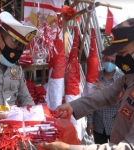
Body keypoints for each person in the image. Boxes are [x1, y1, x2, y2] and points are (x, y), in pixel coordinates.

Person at [40, 18, 134, 150]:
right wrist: (73, 106)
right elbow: (106, 95)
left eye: (122, 53)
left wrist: (70, 148)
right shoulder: (129, 76)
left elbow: (129, 147)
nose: (118, 58)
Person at [0, 11, 39, 149]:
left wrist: (35, 118)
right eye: (13, 48)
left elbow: (25, 99)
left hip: (9, 138)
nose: (15, 55)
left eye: (20, 50)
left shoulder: (16, 68)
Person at [86, 54, 123, 144]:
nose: (109, 63)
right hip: (98, 124)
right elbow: (91, 100)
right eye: (107, 60)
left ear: (116, 62)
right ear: (103, 59)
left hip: (115, 126)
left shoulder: (121, 79)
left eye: (112, 61)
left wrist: (106, 91)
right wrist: (89, 122)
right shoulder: (96, 77)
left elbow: (123, 102)